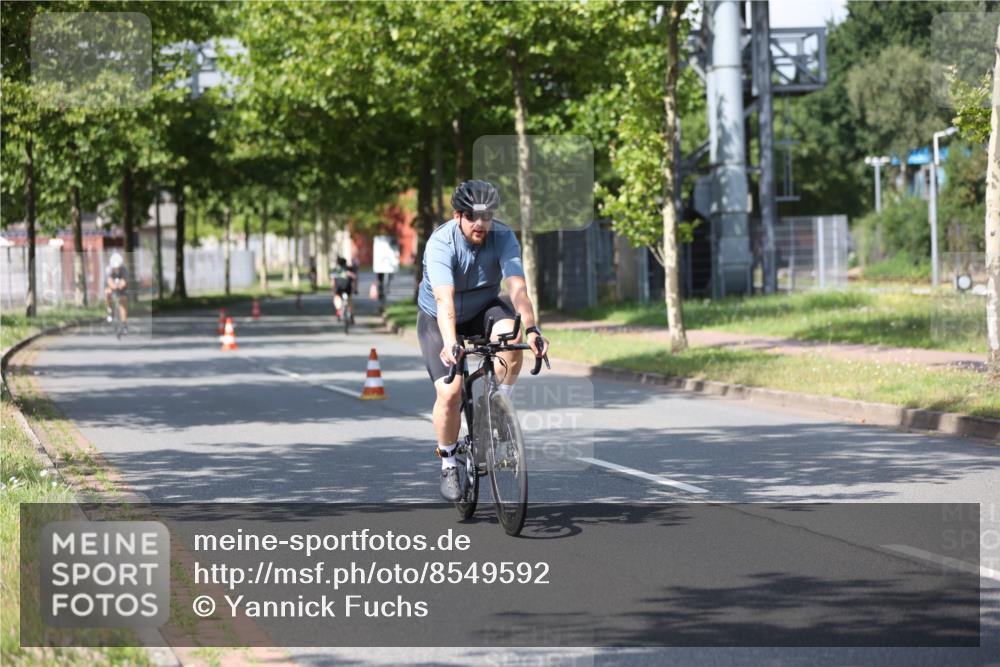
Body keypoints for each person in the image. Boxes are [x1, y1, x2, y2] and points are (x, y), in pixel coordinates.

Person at [417, 180, 549, 501]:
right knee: (449, 392)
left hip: (484, 307)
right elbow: (444, 300)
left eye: (487, 216)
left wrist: (532, 330)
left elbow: (517, 288)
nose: (481, 224)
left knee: (511, 335)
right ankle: (449, 461)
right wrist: (451, 343)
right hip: (439, 317)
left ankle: (498, 405)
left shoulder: (502, 236)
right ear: (457, 216)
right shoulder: (440, 244)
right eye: (473, 216)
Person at [104, 252, 128, 332]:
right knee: (107, 292)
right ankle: (109, 309)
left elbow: (124, 281)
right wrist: (114, 287)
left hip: (121, 285)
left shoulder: (124, 269)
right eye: (115, 267)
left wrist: (120, 286)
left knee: (123, 302)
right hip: (112, 285)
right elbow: (109, 281)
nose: (116, 268)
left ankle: (124, 323)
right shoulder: (108, 270)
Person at [331, 256, 356, 322]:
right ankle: (351, 314)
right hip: (348, 287)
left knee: (336, 298)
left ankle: (338, 311)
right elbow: (354, 279)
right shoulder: (349, 269)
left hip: (338, 288)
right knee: (350, 299)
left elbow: (333, 281)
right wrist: (355, 289)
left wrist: (333, 290)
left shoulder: (335, 270)